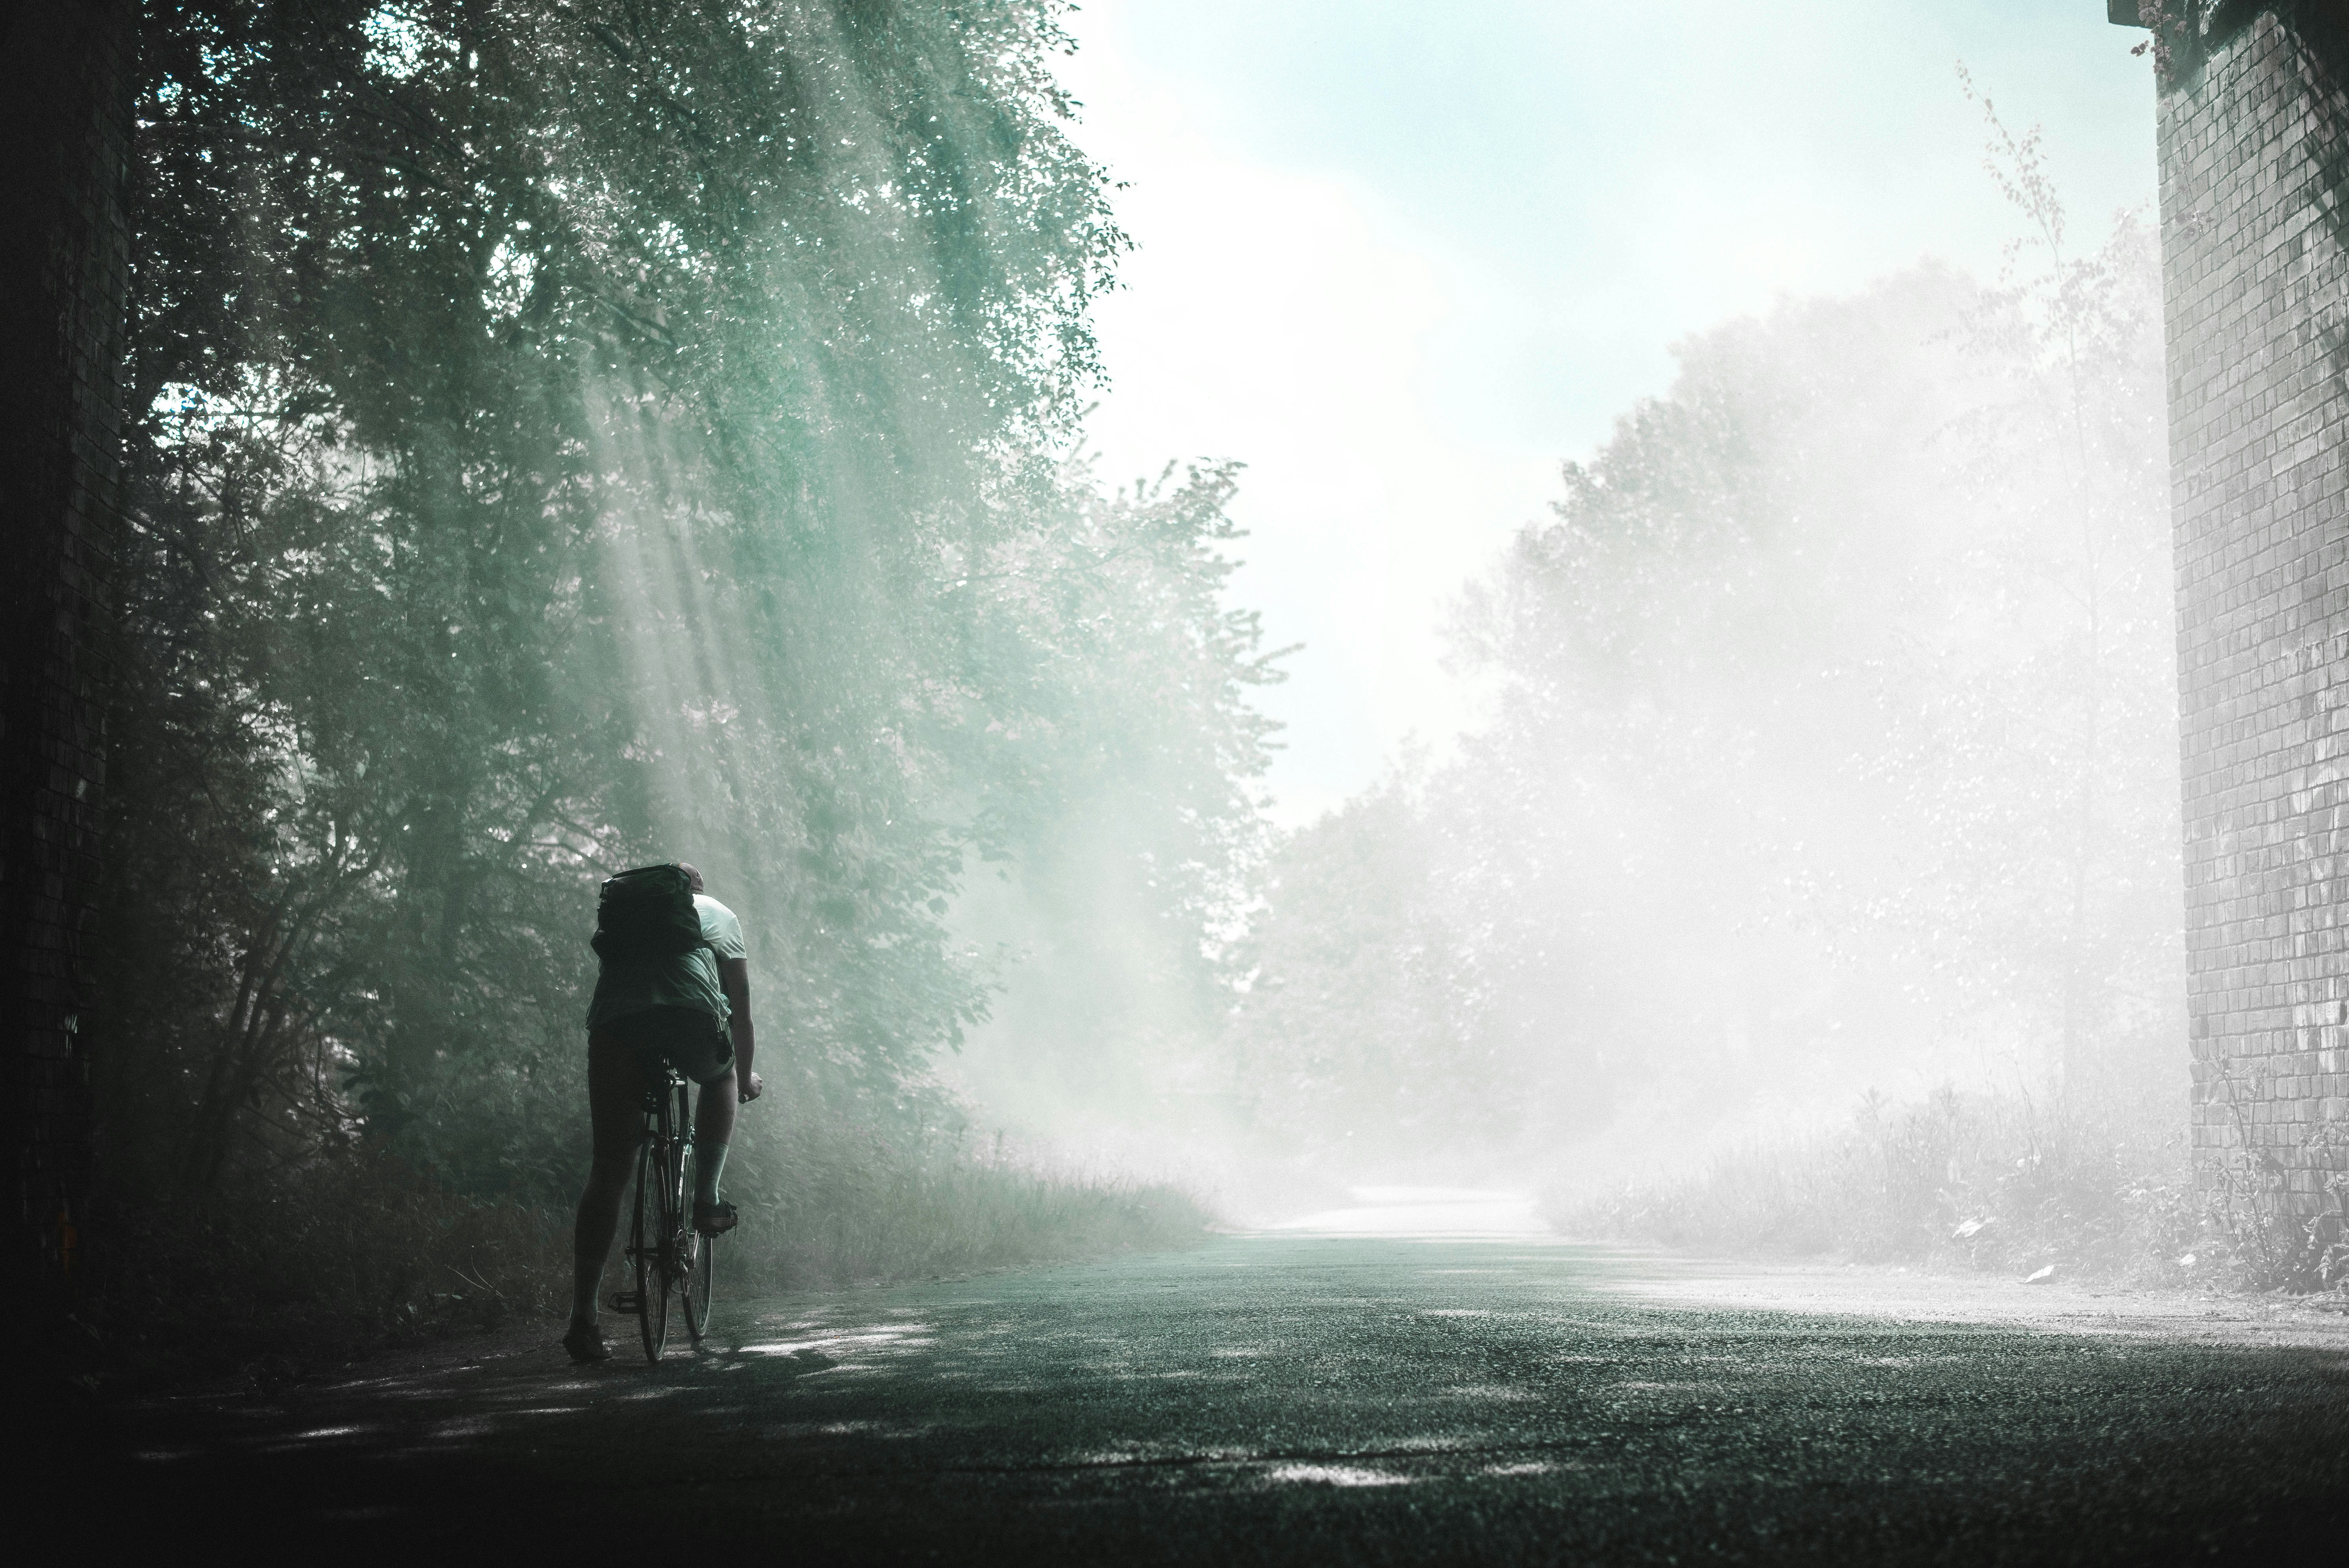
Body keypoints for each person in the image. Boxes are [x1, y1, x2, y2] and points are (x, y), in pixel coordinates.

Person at [565, 862, 762, 1363]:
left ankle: (583, 1317)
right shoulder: (717, 913)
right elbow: (740, 1007)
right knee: (721, 1077)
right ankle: (706, 1199)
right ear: (694, 889)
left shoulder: (625, 920)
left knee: (608, 1169)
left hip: (616, 1025)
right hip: (689, 1015)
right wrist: (744, 1075)